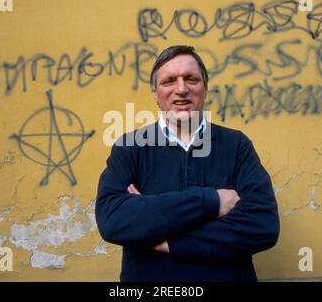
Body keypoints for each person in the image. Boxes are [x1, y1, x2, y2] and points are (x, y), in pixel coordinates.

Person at [95, 45, 280, 282]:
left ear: (205, 88)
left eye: (191, 79)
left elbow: (262, 225)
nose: (181, 89)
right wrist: (213, 201)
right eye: (169, 81)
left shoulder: (236, 145)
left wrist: (166, 233)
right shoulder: (130, 148)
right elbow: (114, 221)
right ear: (155, 93)